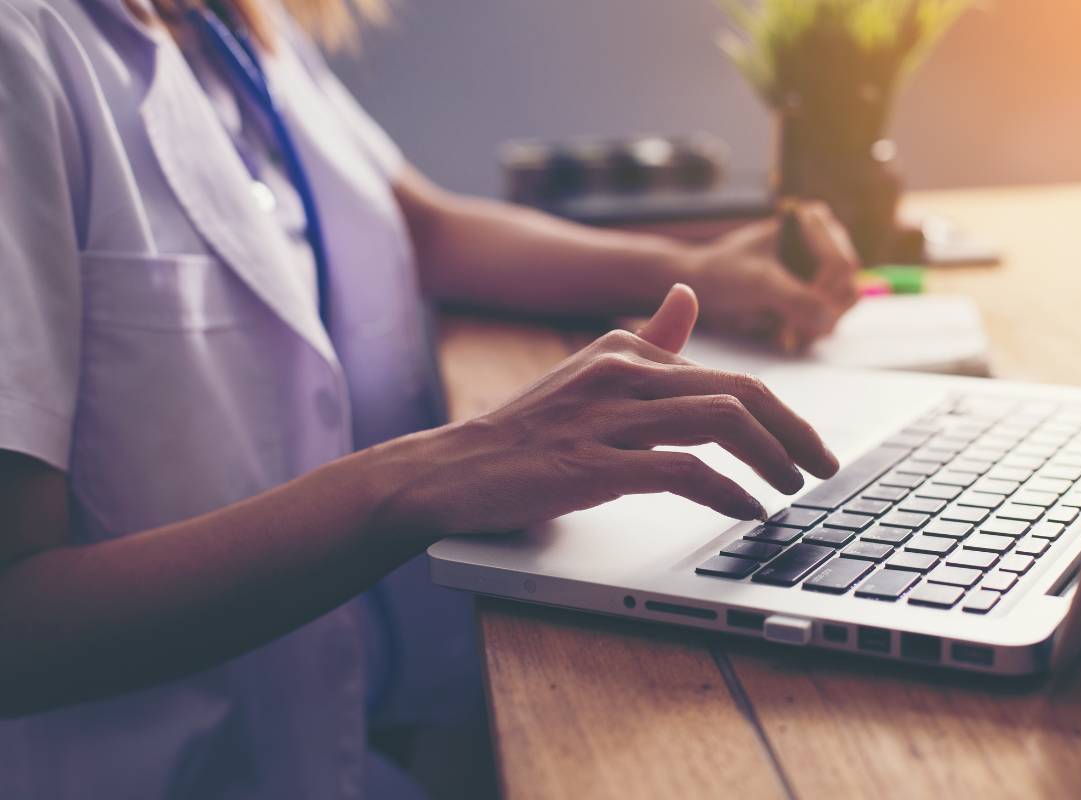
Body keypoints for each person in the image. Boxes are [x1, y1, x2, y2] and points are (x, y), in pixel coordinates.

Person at [0, 0, 859, 796]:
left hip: (364, 734)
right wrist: (435, 474)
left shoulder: (230, 23)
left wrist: (697, 271)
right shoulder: (23, 48)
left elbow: (419, 224)